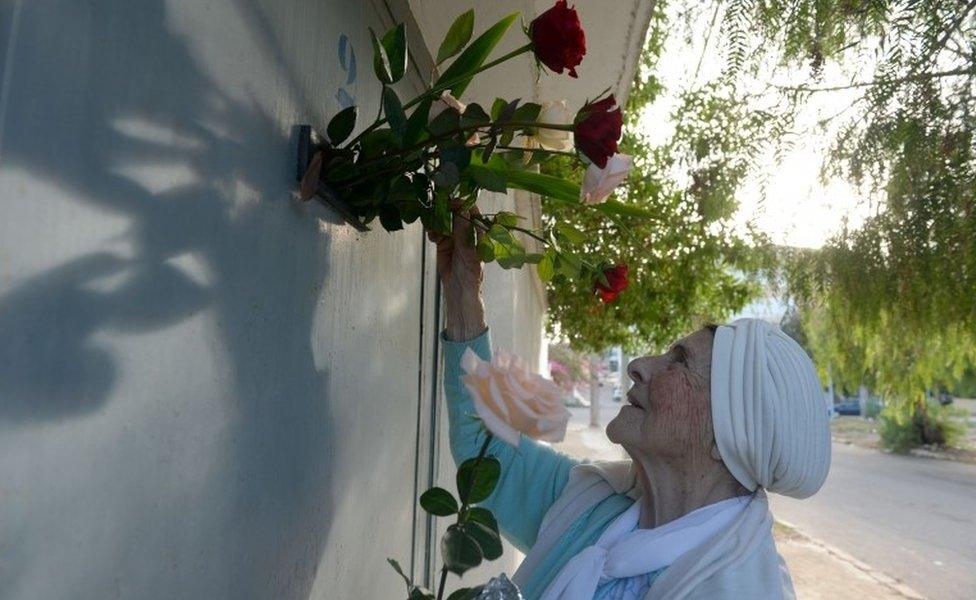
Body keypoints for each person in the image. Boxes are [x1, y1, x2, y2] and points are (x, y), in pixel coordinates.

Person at [427, 207, 831, 599]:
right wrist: (464, 290)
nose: (638, 366)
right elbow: (489, 455)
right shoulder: (596, 504)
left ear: (725, 435)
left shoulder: (738, 588)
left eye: (680, 361)